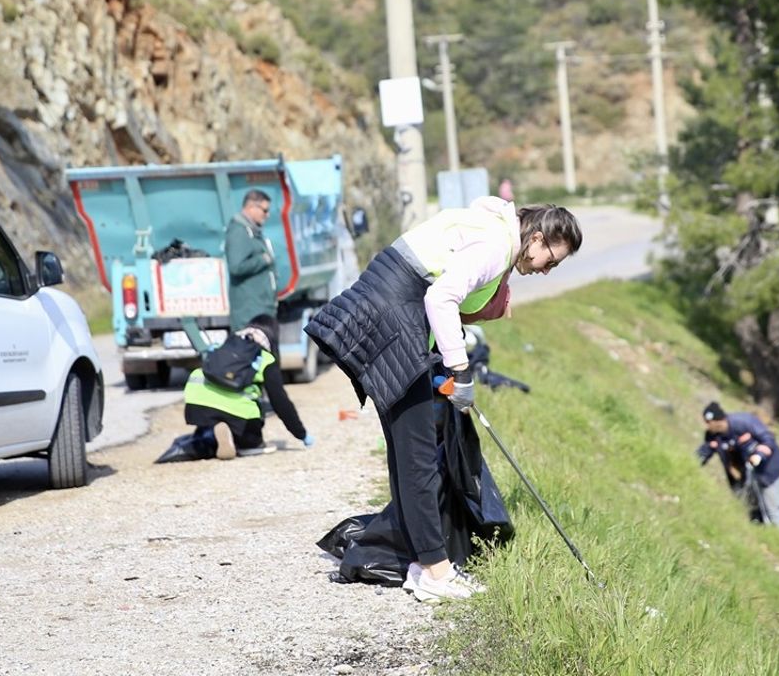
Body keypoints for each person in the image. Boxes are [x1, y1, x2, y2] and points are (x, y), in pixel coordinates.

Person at [305, 197, 582, 602]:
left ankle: (422, 566)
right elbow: (440, 299)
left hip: (387, 311)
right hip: (393, 316)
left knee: (407, 452)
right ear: (536, 237)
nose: (545, 270)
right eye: (550, 260)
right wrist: (461, 371)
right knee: (417, 455)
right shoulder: (496, 244)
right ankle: (435, 573)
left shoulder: (493, 229)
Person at [224, 190, 314, 458]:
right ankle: (249, 438)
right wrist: (264, 259)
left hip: (261, 314)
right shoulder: (239, 232)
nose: (266, 215)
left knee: (263, 379)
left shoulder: (252, 230)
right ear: (250, 207)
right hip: (250, 320)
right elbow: (236, 266)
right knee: (259, 379)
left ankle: (252, 435)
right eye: (263, 210)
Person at [182, 327, 279, 459]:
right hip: (238, 413)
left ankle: (212, 433)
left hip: (196, 406)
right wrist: (301, 434)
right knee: (251, 440)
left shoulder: (221, 346)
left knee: (208, 434)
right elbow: (280, 401)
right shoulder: (265, 358)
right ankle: (242, 442)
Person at [697, 401, 779, 527]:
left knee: (772, 509)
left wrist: (759, 456)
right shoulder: (714, 436)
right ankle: (759, 533)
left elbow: (768, 440)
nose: (707, 426)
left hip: (769, 469)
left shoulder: (744, 422)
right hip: (746, 475)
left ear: (718, 420)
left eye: (709, 422)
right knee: (751, 509)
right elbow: (705, 451)